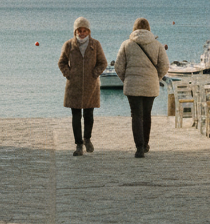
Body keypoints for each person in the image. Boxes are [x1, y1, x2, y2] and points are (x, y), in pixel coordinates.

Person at [114, 17, 169, 158]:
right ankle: (145, 144)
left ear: (134, 28)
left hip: (132, 85)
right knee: (146, 115)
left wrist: (127, 79)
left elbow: (118, 66)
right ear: (149, 28)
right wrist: (156, 78)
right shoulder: (157, 45)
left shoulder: (126, 44)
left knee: (136, 115)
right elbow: (165, 65)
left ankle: (139, 148)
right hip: (150, 84)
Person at [58, 17, 107, 156]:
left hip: (91, 86)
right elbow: (61, 62)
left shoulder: (95, 44)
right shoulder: (69, 45)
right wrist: (68, 74)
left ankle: (87, 139)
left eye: (85, 30)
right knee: (76, 116)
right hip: (74, 86)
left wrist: (94, 74)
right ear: (75, 31)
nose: (82, 33)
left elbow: (103, 63)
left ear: (89, 31)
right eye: (79, 30)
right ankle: (78, 144)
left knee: (89, 115)